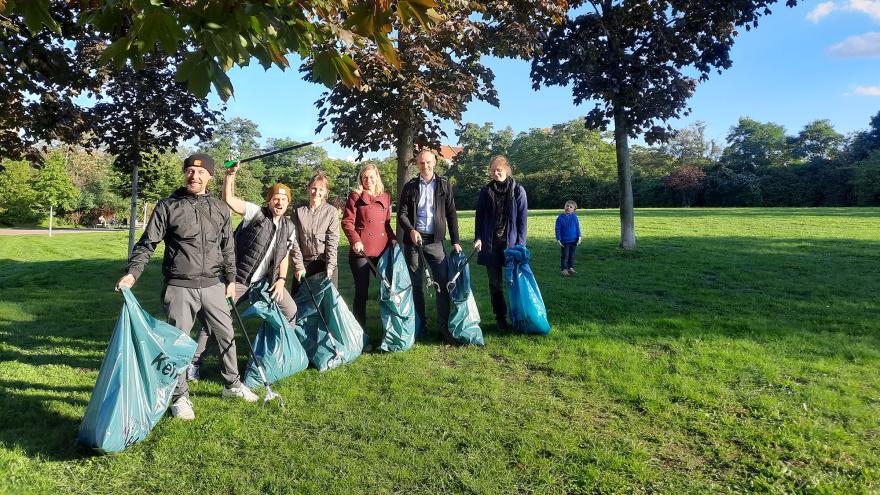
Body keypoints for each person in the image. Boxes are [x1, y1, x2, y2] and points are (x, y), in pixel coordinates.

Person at [115, 153, 258, 422]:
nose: (194, 176)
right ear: (185, 174)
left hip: (214, 285)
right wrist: (133, 274)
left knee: (226, 335)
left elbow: (227, 247)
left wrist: (231, 280)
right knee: (179, 344)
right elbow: (147, 244)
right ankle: (180, 396)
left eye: (201, 172)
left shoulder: (220, 208)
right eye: (190, 171)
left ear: (209, 177)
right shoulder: (168, 206)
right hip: (180, 286)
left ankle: (232, 384)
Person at [188, 160, 298, 382]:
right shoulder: (257, 214)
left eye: (284, 199)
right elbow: (229, 200)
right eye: (276, 197)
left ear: (288, 203)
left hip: (266, 283)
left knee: (291, 311)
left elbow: (285, 255)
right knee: (214, 320)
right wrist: (230, 176)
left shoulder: (289, 227)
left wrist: (281, 279)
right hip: (237, 280)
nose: (280, 202)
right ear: (269, 200)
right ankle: (194, 362)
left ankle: (278, 355)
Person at [398, 149, 461, 344]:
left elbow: (451, 214)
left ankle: (443, 327)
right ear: (417, 164)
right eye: (421, 163)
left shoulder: (443, 185)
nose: (425, 166)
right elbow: (401, 214)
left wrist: (456, 241)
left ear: (434, 163)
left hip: (435, 242)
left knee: (442, 283)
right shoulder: (410, 186)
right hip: (414, 241)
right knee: (416, 284)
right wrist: (410, 230)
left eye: (428, 162)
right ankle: (420, 326)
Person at [473, 155, 528, 332]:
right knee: (495, 284)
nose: (496, 173)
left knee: (514, 283)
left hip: (511, 245)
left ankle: (519, 316)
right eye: (493, 170)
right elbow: (479, 217)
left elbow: (522, 221)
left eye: (499, 170)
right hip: (491, 245)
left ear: (507, 169)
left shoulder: (518, 190)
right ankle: (500, 318)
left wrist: (521, 244)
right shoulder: (485, 191)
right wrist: (478, 238)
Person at [341, 163, 396, 329]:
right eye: (365, 177)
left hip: (382, 251)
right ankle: (360, 332)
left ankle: (391, 329)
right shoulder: (355, 197)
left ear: (377, 177)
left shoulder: (385, 197)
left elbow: (386, 224)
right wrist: (355, 240)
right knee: (361, 293)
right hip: (361, 252)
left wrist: (393, 241)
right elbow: (347, 222)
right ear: (361, 179)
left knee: (389, 290)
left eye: (372, 177)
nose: (368, 180)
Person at [290, 171, 340, 293]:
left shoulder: (331, 212)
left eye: (321, 189)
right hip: (304, 262)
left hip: (324, 261)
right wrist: (298, 266)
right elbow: (293, 240)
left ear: (325, 192)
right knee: (298, 302)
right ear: (308, 189)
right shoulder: (298, 210)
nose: (317, 193)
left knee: (329, 302)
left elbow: (332, 241)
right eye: (314, 188)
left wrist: (330, 266)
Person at [556, 200, 581, 276]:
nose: (568, 208)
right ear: (564, 207)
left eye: (571, 207)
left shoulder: (574, 216)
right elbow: (557, 229)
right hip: (565, 241)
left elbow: (577, 227)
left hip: (574, 241)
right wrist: (558, 239)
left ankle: (570, 268)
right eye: (567, 206)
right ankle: (563, 269)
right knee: (565, 256)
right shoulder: (560, 218)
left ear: (574, 209)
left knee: (572, 256)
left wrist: (579, 236)